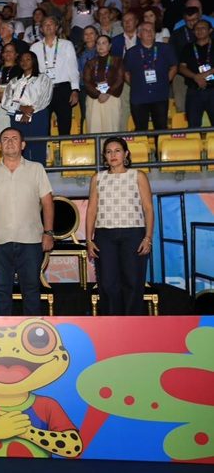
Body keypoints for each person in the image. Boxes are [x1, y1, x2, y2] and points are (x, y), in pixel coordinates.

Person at [0, 127, 54, 316]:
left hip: (31, 240)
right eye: (5, 139)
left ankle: (33, 335)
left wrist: (48, 232)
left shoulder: (36, 169)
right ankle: (4, 335)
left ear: (23, 144)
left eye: (14, 138)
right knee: (1, 291)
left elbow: (48, 202)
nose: (9, 142)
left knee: (32, 290)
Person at [86, 137, 154, 316]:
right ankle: (112, 324)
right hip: (105, 236)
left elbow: (148, 208)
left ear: (126, 154)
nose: (113, 155)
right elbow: (92, 210)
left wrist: (148, 237)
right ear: (104, 156)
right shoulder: (97, 178)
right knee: (108, 283)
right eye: (109, 152)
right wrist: (88, 239)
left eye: (117, 151)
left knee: (133, 282)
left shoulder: (138, 176)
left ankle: (132, 326)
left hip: (133, 234)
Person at [0, 51, 53, 165]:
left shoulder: (43, 78)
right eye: (22, 60)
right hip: (17, 115)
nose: (24, 62)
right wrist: (20, 107)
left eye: (28, 59)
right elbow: (5, 101)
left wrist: (29, 112)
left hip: (37, 115)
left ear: (33, 61)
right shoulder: (14, 81)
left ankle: (38, 175)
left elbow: (45, 98)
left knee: (38, 146)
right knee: (19, 146)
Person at [123, 22, 178, 131]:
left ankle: (161, 148)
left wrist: (165, 81)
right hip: (139, 97)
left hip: (160, 95)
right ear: (139, 34)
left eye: (151, 30)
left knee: (161, 129)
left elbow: (174, 67)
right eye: (145, 30)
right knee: (140, 130)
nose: (149, 32)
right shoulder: (131, 52)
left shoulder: (165, 48)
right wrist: (135, 84)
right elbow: (126, 72)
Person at [30, 16, 79, 136]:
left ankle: (64, 149)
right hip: (43, 90)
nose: (48, 26)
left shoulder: (66, 45)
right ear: (41, 29)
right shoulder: (34, 47)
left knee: (64, 124)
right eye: (45, 24)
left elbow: (73, 68)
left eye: (51, 24)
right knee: (42, 125)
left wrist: (75, 89)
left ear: (57, 27)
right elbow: (32, 71)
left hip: (63, 89)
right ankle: (44, 153)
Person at [82, 35, 125, 133]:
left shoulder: (117, 61)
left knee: (111, 127)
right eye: (98, 43)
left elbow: (120, 79)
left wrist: (108, 93)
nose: (100, 45)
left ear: (109, 46)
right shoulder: (90, 63)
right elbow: (86, 81)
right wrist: (98, 94)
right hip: (94, 99)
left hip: (111, 98)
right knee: (94, 127)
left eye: (104, 43)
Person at [179, 19, 214, 128]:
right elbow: (181, 67)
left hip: (213, 90)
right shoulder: (188, 47)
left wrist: (204, 75)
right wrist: (195, 77)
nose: (199, 30)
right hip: (194, 92)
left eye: (203, 28)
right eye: (196, 28)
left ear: (210, 30)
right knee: (193, 126)